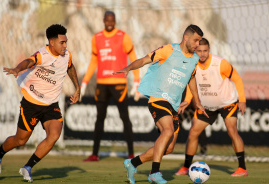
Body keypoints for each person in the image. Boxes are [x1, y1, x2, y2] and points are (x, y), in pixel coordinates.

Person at [114, 24, 208, 184]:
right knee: (168, 130)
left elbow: (191, 79)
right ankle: (154, 172)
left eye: (199, 41)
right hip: (158, 98)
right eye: (196, 40)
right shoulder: (169, 50)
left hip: (174, 105)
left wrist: (197, 102)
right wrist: (129, 67)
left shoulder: (194, 60)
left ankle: (132, 163)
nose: (197, 45)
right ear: (186, 38)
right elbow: (144, 59)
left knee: (169, 148)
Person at [0, 24, 80, 182]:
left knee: (54, 135)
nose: (65, 45)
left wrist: (77, 88)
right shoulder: (42, 55)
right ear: (52, 42)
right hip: (32, 103)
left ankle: (27, 167)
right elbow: (28, 61)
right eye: (62, 42)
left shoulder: (67, 55)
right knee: (21, 140)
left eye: (66, 42)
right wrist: (18, 68)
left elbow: (70, 68)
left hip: (51, 105)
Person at [175, 38, 248, 177]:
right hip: (206, 106)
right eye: (199, 51)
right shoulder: (192, 65)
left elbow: (237, 78)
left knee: (232, 131)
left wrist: (242, 100)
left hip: (227, 103)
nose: (202, 54)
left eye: (205, 51)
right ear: (195, 50)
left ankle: (242, 168)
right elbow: (191, 86)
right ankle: (186, 167)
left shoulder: (220, 63)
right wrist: (187, 100)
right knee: (193, 133)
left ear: (209, 50)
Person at [81, 11, 140, 162]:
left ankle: (131, 154)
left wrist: (137, 81)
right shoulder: (97, 38)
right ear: (103, 21)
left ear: (115, 21)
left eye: (112, 20)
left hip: (119, 84)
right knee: (99, 118)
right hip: (102, 83)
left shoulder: (123, 37)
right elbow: (93, 61)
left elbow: (133, 59)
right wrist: (85, 82)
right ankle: (95, 154)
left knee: (125, 118)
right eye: (107, 20)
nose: (109, 23)